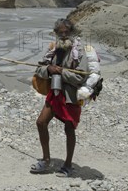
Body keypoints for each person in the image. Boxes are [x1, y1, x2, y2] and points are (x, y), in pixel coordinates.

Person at [30, 18, 89, 177]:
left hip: (70, 96)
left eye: (66, 32)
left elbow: (81, 78)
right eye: (60, 33)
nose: (63, 35)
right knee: (41, 122)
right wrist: (49, 69)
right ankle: (46, 159)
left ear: (72, 32)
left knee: (69, 129)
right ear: (56, 34)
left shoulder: (80, 52)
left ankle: (68, 165)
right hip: (54, 93)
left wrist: (62, 72)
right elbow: (39, 69)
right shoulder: (53, 49)